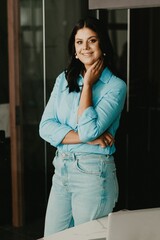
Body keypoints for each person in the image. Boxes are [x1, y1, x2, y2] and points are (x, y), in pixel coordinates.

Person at [39, 16, 126, 237]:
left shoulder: (115, 87)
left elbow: (88, 130)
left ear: (103, 45)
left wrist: (87, 85)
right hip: (62, 170)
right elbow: (45, 127)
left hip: (93, 175)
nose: (85, 48)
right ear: (74, 48)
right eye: (79, 42)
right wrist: (90, 138)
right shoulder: (63, 80)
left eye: (92, 41)